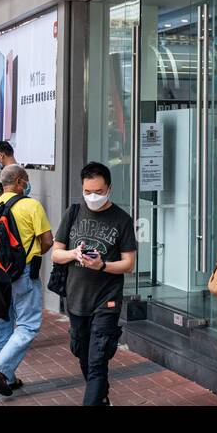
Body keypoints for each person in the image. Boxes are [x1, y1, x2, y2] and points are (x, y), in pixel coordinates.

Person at [51, 162, 137, 406]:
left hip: (106, 300)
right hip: (77, 298)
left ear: (108, 188)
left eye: (98, 191)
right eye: (88, 191)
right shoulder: (74, 212)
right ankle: (101, 396)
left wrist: (102, 265)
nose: (93, 197)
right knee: (83, 354)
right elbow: (56, 254)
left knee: (98, 359)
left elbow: (128, 263)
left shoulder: (122, 219)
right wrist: (73, 254)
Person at [0, 164, 52, 397]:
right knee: (28, 324)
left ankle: (7, 378)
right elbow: (47, 241)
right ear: (19, 182)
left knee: (2, 322)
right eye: (26, 179)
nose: (27, 183)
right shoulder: (31, 205)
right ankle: (0, 367)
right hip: (24, 272)